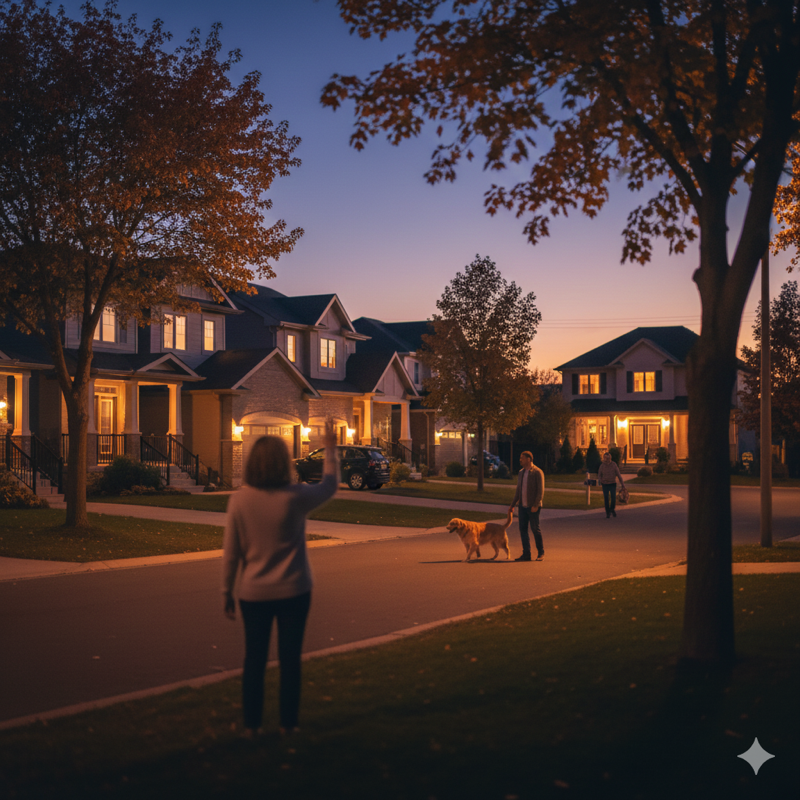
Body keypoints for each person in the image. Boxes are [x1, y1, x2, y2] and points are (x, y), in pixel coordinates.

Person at [222, 420, 338, 737]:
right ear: (283, 463)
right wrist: (329, 448)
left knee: (254, 660)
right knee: (290, 660)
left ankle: (252, 726)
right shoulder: (296, 496)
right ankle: (289, 725)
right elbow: (329, 486)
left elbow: (231, 553)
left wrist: (226, 591)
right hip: (295, 590)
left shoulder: (239, 501)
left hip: (253, 593)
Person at [507, 450, 545, 562]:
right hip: (522, 506)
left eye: (522, 458)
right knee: (523, 530)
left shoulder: (537, 472)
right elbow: (518, 490)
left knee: (535, 529)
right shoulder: (521, 473)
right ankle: (526, 554)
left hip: (533, 506)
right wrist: (512, 505)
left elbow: (540, 491)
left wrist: (536, 505)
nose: (520, 460)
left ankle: (541, 552)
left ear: (528, 459)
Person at [597, 450, 625, 518]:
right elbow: (599, 474)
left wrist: (622, 484)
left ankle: (612, 509)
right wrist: (600, 481)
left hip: (612, 483)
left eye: (608, 458)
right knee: (606, 498)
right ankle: (608, 512)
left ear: (610, 458)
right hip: (605, 484)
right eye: (605, 458)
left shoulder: (614, 465)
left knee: (613, 498)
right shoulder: (602, 466)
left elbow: (618, 475)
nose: (607, 460)